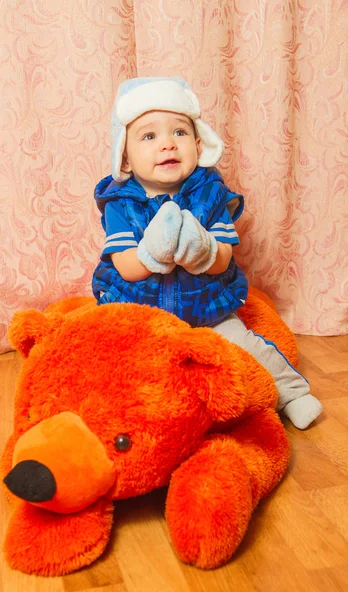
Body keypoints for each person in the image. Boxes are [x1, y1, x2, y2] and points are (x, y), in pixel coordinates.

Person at [92, 76, 323, 429]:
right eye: (149, 136)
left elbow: (223, 260)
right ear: (124, 159)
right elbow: (126, 267)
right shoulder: (119, 203)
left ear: (199, 146)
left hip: (207, 308)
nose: (167, 144)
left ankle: (292, 393)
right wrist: (157, 249)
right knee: (118, 365)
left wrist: (198, 249)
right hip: (141, 312)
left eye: (179, 133)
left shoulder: (209, 194)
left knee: (245, 346)